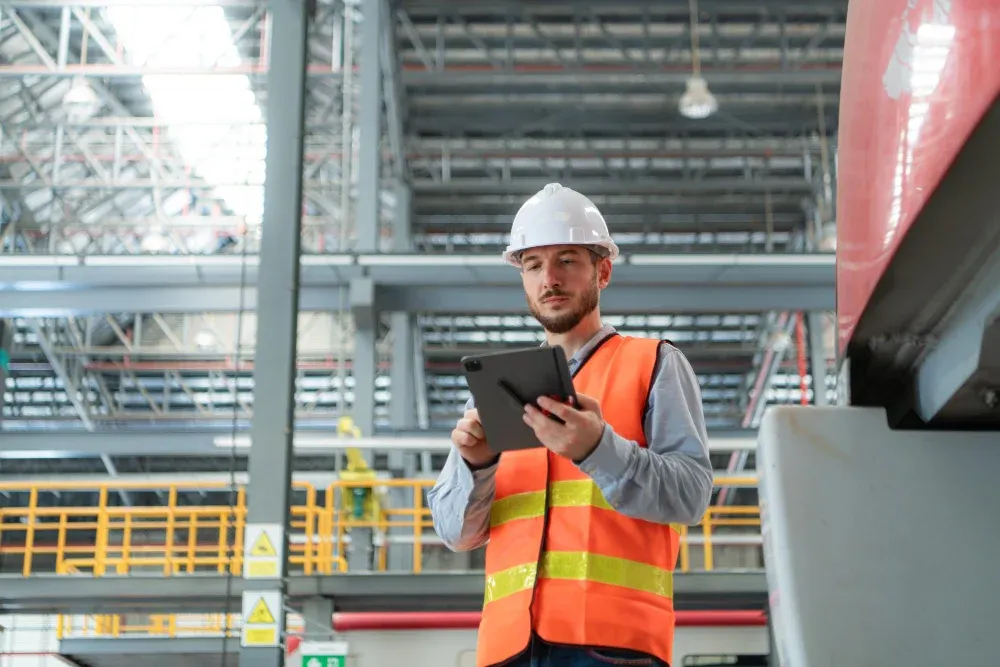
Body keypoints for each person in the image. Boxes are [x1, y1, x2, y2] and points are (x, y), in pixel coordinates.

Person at [427, 183, 714, 667]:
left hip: (612, 646)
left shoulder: (653, 364)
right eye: (533, 265)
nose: (549, 279)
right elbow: (456, 533)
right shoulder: (500, 386)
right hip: (507, 649)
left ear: (602, 271)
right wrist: (476, 466)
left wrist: (599, 447)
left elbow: (691, 496)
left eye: (567, 260)